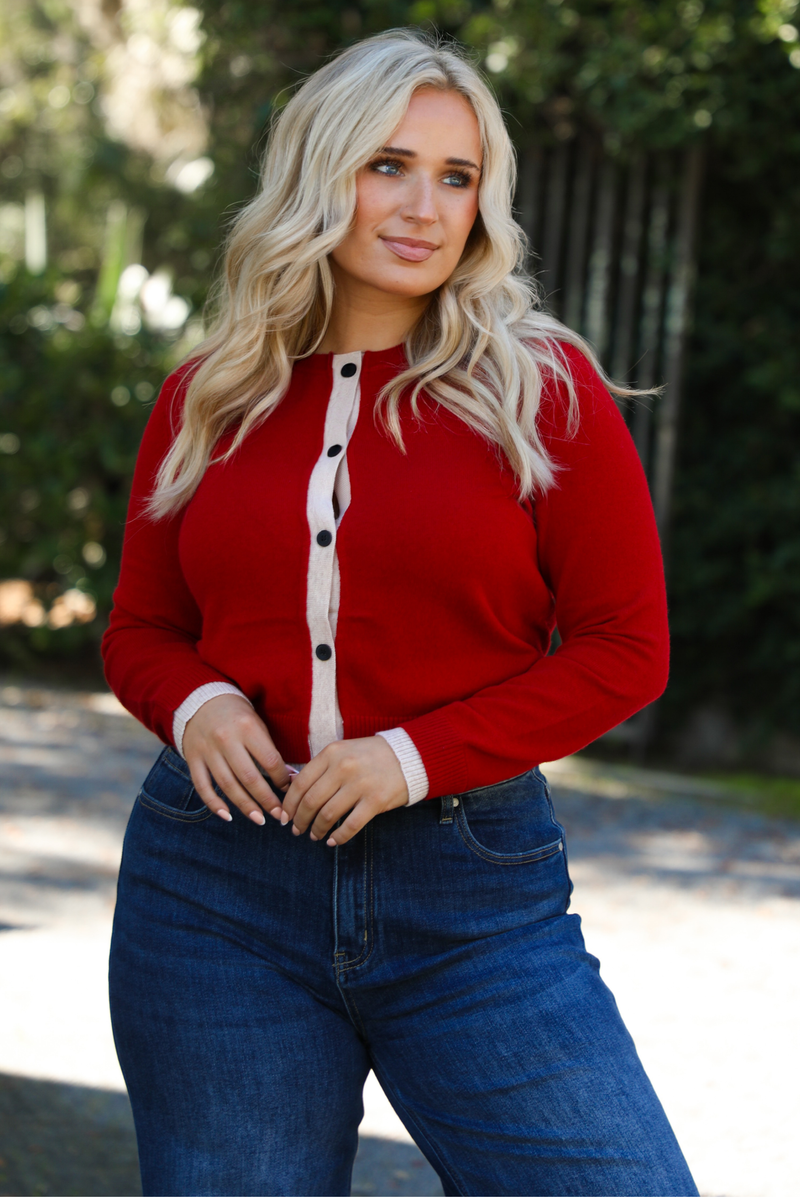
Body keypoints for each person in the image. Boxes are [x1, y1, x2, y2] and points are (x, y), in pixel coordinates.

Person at [103, 28, 699, 1197]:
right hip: (212, 889)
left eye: (457, 176)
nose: (426, 207)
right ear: (317, 174)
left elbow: (625, 653)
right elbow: (141, 630)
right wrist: (200, 704)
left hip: (471, 900)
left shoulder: (540, 390)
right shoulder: (208, 393)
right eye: (388, 165)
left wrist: (408, 756)